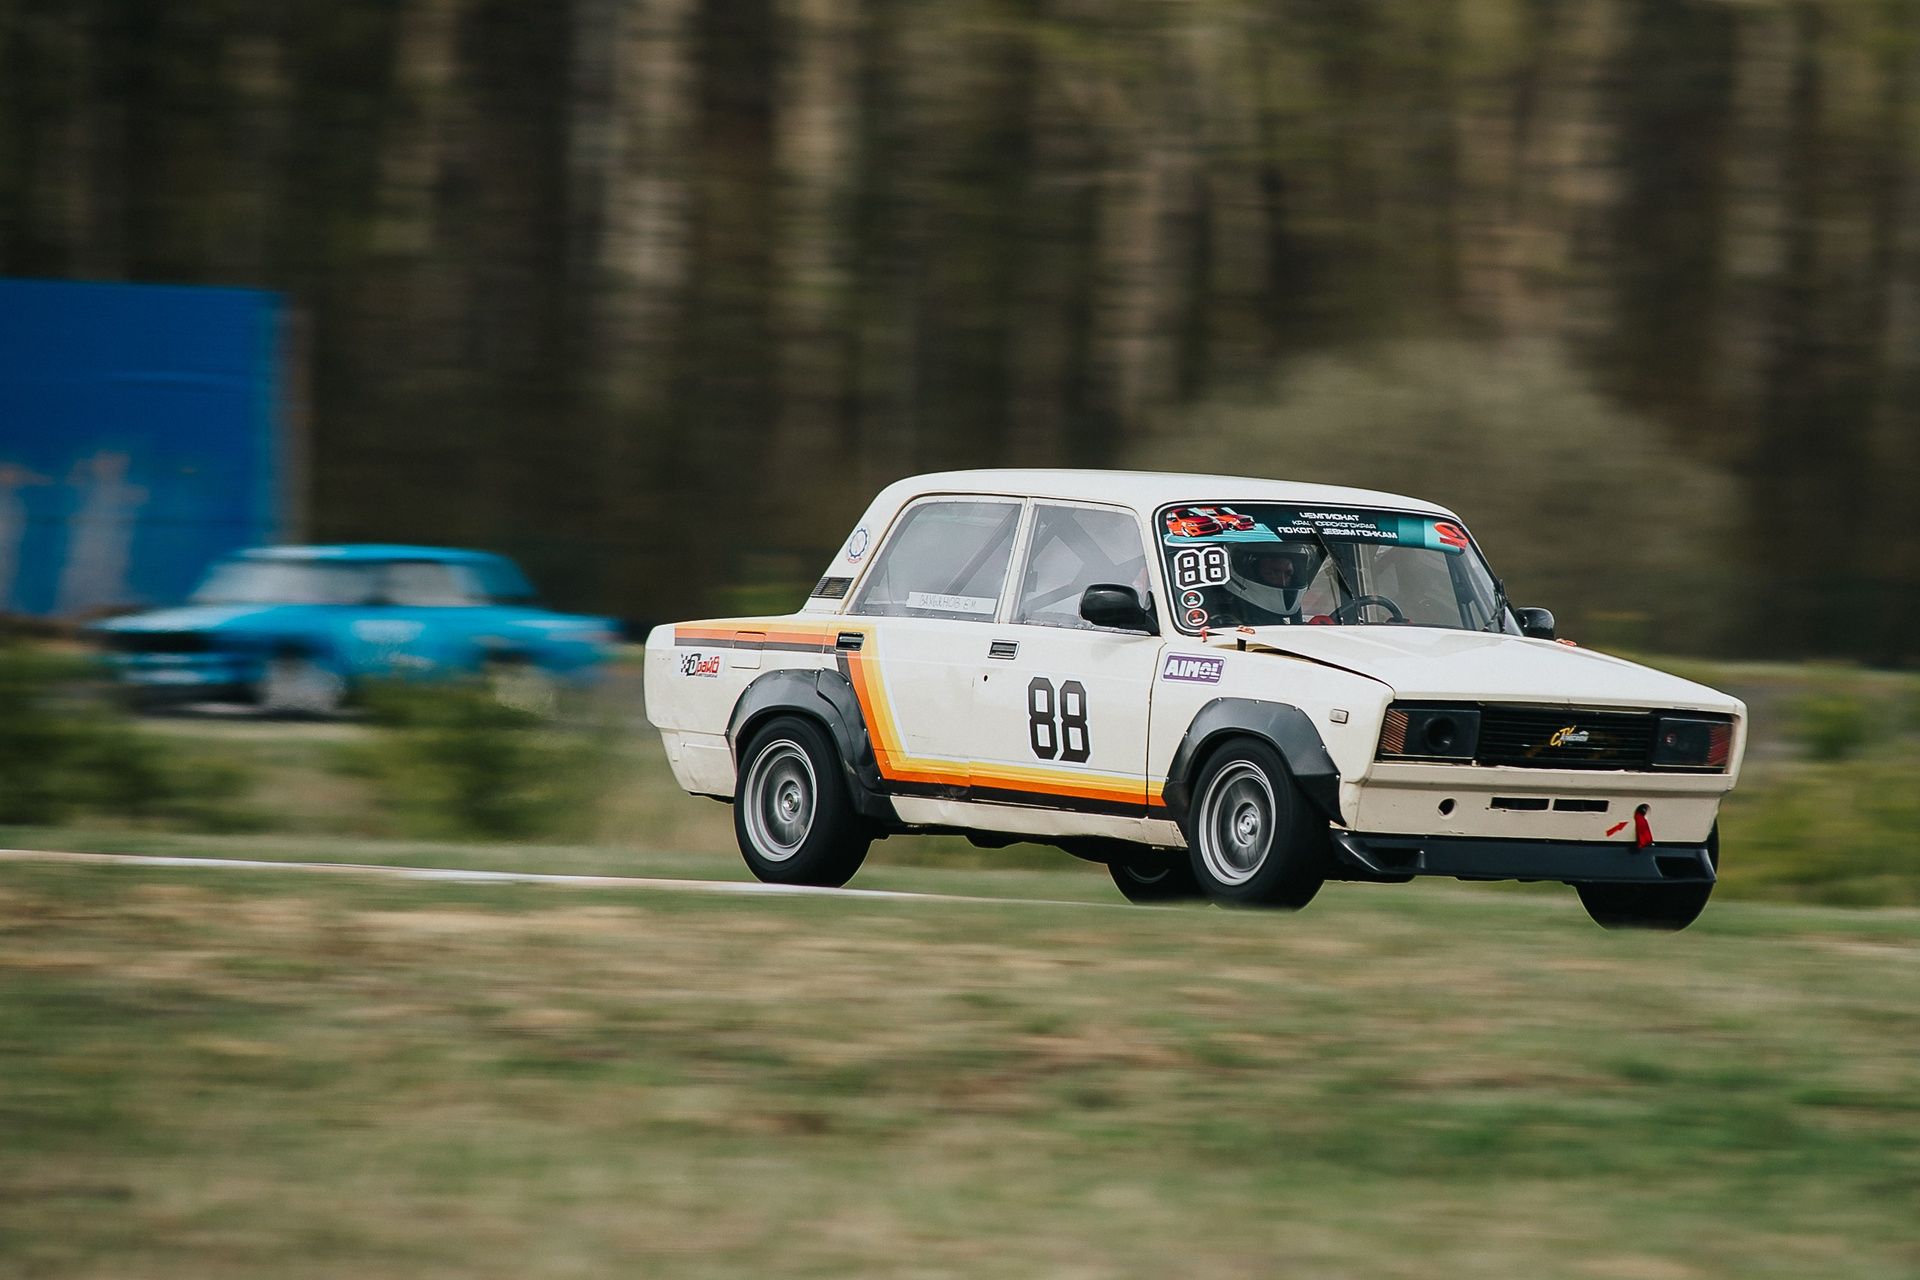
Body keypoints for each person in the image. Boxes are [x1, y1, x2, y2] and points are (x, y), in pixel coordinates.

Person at [1220, 543, 1318, 625]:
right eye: (1273, 573)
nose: (1283, 582)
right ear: (1253, 574)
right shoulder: (1222, 625)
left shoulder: (1288, 625)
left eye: (1288, 574)